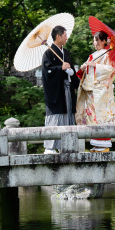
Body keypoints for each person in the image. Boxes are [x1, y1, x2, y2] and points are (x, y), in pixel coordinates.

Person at [75, 31, 115, 152]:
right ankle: (96, 144)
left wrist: (94, 66)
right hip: (91, 91)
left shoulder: (108, 54)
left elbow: (109, 69)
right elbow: (85, 69)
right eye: (94, 40)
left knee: (102, 116)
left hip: (102, 91)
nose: (95, 43)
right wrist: (84, 67)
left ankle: (103, 145)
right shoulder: (94, 55)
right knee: (92, 116)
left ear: (104, 41)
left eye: (97, 40)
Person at [41, 25, 80, 154]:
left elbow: (72, 70)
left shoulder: (66, 52)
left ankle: (67, 145)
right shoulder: (48, 53)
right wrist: (60, 68)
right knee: (56, 115)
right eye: (65, 35)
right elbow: (47, 72)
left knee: (68, 114)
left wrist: (74, 82)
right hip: (57, 91)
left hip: (67, 89)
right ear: (58, 36)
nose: (66, 37)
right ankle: (50, 147)